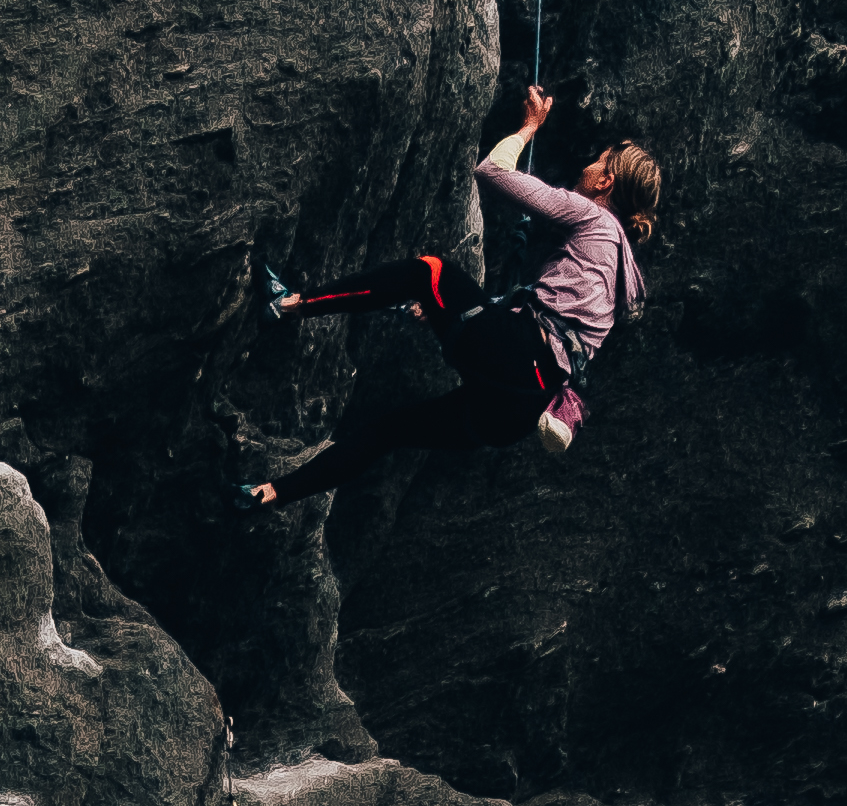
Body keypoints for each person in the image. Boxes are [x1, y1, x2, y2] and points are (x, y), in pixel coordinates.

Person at [241, 82, 658, 510]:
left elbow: (492, 173)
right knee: (390, 431)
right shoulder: (624, 276)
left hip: (515, 355)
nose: (588, 166)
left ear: (606, 180)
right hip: (517, 410)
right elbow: (557, 328)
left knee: (429, 271)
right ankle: (269, 494)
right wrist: (451, 315)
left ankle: (289, 304)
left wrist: (529, 128)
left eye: (598, 162)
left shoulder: (595, 218)